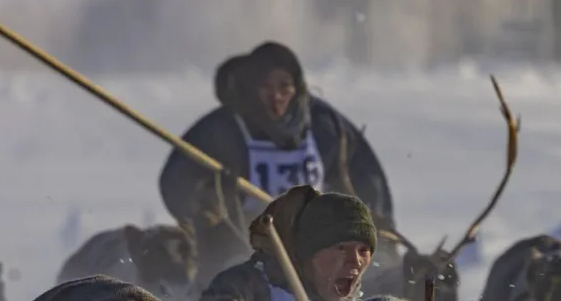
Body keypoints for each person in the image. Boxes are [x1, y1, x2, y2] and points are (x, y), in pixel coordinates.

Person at [159, 41, 395, 282]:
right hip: (240, 246)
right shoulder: (224, 129)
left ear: (297, 87)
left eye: (284, 87)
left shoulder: (324, 125)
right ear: (252, 87)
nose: (277, 96)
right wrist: (210, 201)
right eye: (267, 87)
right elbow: (178, 181)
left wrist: (374, 223)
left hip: (319, 246)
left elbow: (365, 177)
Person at [193, 184, 376, 301]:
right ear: (308, 253)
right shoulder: (251, 285)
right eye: (341, 248)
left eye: (363, 250)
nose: (355, 261)